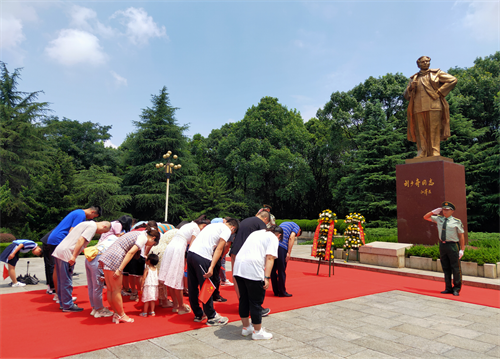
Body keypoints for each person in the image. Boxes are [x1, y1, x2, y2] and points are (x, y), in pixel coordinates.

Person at [99, 224, 160, 323]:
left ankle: (116, 314)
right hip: (116, 257)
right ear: (153, 238)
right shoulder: (143, 238)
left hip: (109, 254)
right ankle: (122, 315)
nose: (150, 245)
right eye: (153, 243)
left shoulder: (139, 233)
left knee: (111, 289)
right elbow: (130, 253)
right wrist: (120, 269)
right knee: (116, 290)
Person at [233, 226, 283, 340]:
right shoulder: (273, 238)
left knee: (244, 299)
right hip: (253, 268)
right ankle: (257, 331)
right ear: (279, 235)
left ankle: (246, 328)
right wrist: (267, 277)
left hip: (238, 267)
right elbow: (270, 258)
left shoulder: (256, 233)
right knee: (255, 301)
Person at [186, 218, 239, 326]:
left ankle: (198, 314)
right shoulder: (227, 230)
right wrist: (212, 266)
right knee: (207, 286)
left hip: (191, 254)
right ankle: (211, 316)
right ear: (233, 228)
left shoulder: (212, 226)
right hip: (202, 256)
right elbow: (219, 248)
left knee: (192, 285)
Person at [403, 56, 457, 158]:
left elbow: (453, 80)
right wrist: (410, 88)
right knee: (420, 131)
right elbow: (406, 96)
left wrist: (440, 92)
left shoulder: (436, 73)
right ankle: (421, 151)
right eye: (423, 62)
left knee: (434, 130)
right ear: (418, 64)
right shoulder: (413, 78)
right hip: (418, 107)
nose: (426, 63)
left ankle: (435, 151)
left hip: (434, 105)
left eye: (427, 61)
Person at [45, 206, 102, 300]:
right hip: (60, 239)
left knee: (57, 268)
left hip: (54, 238)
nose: (92, 219)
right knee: (63, 269)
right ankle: (63, 297)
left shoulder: (77, 212)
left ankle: (58, 295)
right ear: (92, 212)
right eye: (93, 217)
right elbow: (73, 232)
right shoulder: (81, 215)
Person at [52, 221, 111, 312]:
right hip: (67, 253)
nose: (100, 234)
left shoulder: (86, 223)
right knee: (66, 280)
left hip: (61, 250)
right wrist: (74, 256)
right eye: (103, 231)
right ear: (104, 226)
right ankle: (67, 305)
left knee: (61, 280)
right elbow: (81, 240)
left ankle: (63, 303)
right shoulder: (92, 227)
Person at [158, 215, 210, 315]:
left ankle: (176, 305)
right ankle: (181, 306)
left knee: (171, 278)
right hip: (178, 248)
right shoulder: (196, 229)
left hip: (171, 247)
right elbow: (193, 245)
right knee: (176, 278)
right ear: (203, 225)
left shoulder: (189, 225)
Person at [229, 210, 270, 307]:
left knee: (237, 278)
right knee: (251, 280)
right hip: (245, 254)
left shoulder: (245, 221)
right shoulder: (261, 224)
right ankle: (253, 306)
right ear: (265, 219)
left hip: (235, 251)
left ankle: (242, 303)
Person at [423, 201, 465, 296]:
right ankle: (448, 288)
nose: (445, 212)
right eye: (443, 210)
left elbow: (461, 236)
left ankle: (456, 288)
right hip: (443, 245)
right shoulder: (439, 219)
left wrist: (462, 249)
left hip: (453, 246)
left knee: (455, 268)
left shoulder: (456, 222)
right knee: (445, 267)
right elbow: (425, 217)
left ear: (452, 211)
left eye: (447, 210)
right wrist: (433, 212)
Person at [85, 234, 119, 318]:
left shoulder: (109, 238)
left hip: (89, 258)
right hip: (98, 259)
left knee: (92, 285)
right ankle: (100, 310)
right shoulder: (117, 242)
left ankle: (95, 307)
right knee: (98, 286)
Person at [271, 221, 301, 297]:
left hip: (273, 245)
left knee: (273, 269)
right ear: (299, 231)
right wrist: (289, 252)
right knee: (281, 270)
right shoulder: (296, 227)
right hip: (282, 247)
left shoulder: (284, 223)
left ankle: (275, 291)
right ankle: (282, 292)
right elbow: (291, 237)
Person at [140, 253, 160, 317]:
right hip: (154, 287)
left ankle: (145, 313)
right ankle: (152, 311)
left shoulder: (147, 269)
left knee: (146, 300)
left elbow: (143, 278)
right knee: (152, 300)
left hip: (148, 286)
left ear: (148, 261)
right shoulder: (156, 270)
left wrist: (141, 286)